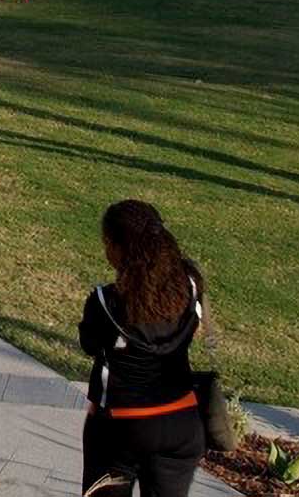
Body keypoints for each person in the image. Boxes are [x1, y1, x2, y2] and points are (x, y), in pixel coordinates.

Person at [79, 199, 207, 497]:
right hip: (180, 422)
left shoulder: (105, 301)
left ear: (117, 247)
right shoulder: (188, 285)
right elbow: (195, 328)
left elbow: (90, 344)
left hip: (119, 426)